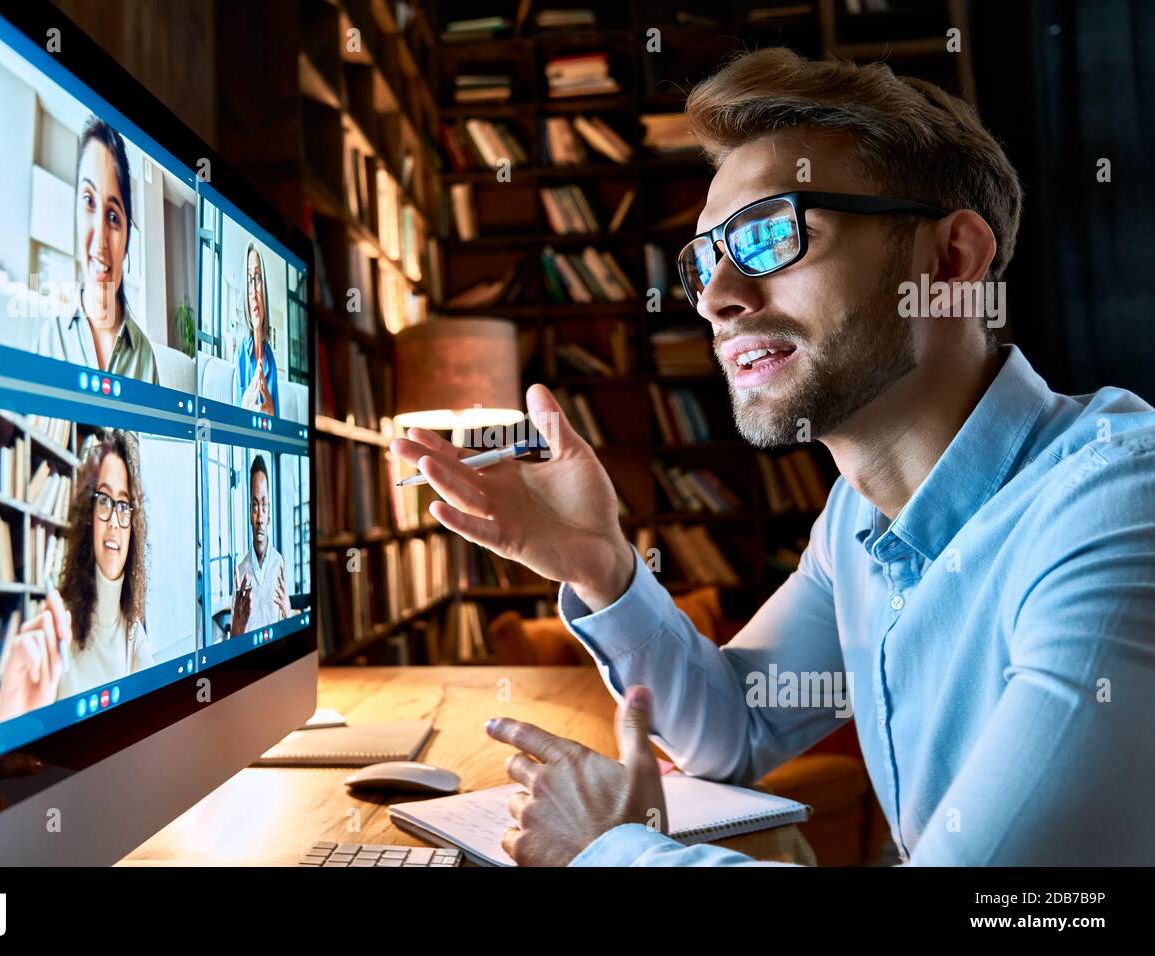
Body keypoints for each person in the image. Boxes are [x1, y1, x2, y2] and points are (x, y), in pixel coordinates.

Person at [391, 48, 1155, 866]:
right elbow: (737, 728)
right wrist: (604, 566)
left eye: (770, 235)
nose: (718, 298)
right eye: (703, 260)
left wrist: (607, 854)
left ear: (949, 262)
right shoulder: (860, 519)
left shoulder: (1117, 502)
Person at [0, 430, 154, 720]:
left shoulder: (134, 635)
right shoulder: (55, 626)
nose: (115, 521)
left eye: (124, 504)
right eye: (104, 500)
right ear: (88, 515)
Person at [35, 117, 160, 385]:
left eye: (114, 217)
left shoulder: (145, 359)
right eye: (89, 201)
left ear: (127, 239)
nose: (100, 240)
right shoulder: (49, 338)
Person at [230, 453, 292, 636]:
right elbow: (235, 640)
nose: (260, 518)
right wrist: (235, 630)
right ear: (250, 513)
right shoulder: (241, 573)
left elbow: (287, 631)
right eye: (255, 506)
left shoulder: (279, 563)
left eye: (264, 506)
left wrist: (288, 613)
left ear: (270, 513)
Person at [236, 243, 278, 416]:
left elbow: (278, 425)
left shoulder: (271, 359)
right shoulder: (240, 352)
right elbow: (235, 425)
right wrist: (245, 406)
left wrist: (271, 413)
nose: (253, 291)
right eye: (248, 281)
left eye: (258, 278)